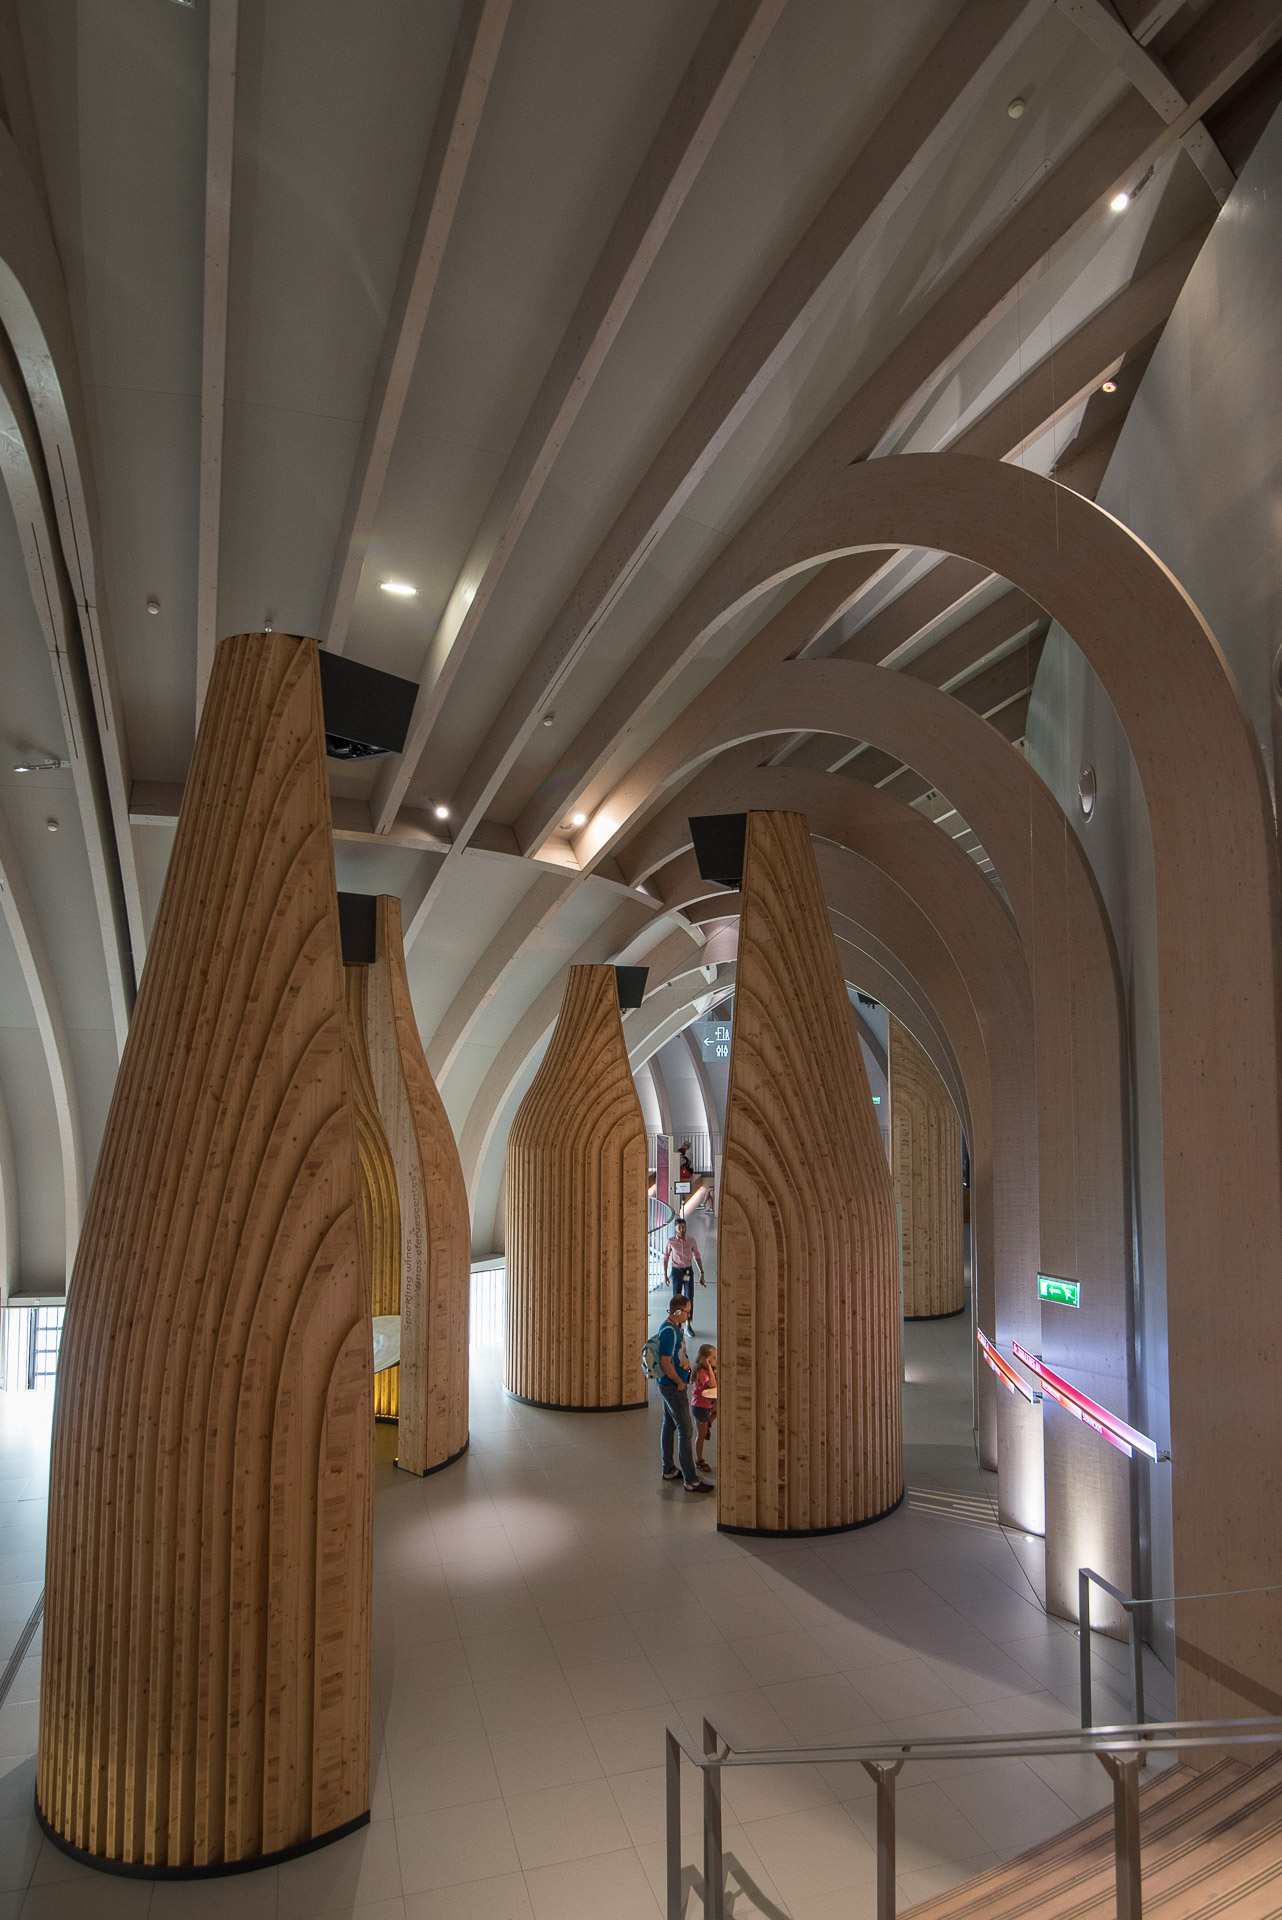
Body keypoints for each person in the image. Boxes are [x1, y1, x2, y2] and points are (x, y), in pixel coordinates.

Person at [656, 1297, 711, 1491]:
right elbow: (665, 1361)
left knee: (669, 1424)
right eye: (687, 1311)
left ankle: (669, 1469)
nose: (689, 1315)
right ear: (678, 1312)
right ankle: (691, 1479)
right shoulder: (669, 1332)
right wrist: (679, 1382)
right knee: (686, 1430)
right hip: (673, 1387)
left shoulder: (675, 1328)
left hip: (671, 1385)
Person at [663, 1215, 704, 1303]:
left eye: (683, 1227)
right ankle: (677, 1312)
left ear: (686, 1228)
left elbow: (697, 1256)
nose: (681, 1230)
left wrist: (701, 1272)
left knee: (689, 1297)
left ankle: (689, 1312)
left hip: (687, 1271)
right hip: (676, 1271)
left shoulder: (691, 1241)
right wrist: (665, 1275)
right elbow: (666, 1257)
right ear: (675, 1228)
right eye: (679, 1228)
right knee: (676, 1297)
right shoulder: (671, 1241)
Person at [691, 1344, 717, 1474]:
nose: (716, 1360)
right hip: (700, 1407)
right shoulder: (702, 1372)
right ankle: (699, 1459)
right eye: (714, 1358)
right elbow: (712, 1384)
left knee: (718, 1409)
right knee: (701, 1436)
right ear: (706, 1360)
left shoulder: (709, 1370)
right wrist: (710, 1369)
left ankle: (708, 1425)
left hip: (708, 1405)